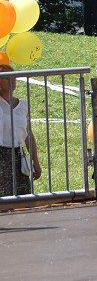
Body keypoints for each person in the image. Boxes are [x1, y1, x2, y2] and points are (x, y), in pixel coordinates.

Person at [0, 56, 42, 195]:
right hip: (1, 154)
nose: (12, 80)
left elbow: (28, 135)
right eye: (7, 77)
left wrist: (35, 161)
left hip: (19, 155)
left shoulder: (23, 105)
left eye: (14, 77)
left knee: (22, 197)